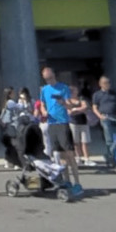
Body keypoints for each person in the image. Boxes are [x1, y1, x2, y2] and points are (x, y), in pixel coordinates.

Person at [39, 67, 83, 196]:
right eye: (46, 79)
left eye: (50, 77)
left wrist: (63, 102)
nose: (49, 80)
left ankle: (77, 183)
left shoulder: (63, 88)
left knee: (69, 154)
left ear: (54, 75)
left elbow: (70, 105)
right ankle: (67, 181)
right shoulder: (44, 90)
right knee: (60, 155)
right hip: (51, 124)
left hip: (62, 123)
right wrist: (44, 111)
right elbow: (42, 104)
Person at [91, 75, 116, 169]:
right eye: (105, 83)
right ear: (100, 84)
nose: (107, 84)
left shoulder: (114, 93)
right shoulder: (97, 95)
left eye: (108, 83)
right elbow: (94, 107)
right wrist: (100, 116)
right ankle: (113, 161)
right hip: (105, 118)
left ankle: (109, 154)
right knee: (109, 140)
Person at [68, 85, 98, 167]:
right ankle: (78, 158)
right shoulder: (68, 100)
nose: (76, 92)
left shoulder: (81, 98)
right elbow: (69, 112)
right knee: (76, 142)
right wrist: (80, 110)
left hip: (84, 122)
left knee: (85, 142)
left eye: (76, 91)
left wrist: (75, 109)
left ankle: (87, 159)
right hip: (73, 123)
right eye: (74, 91)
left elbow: (85, 107)